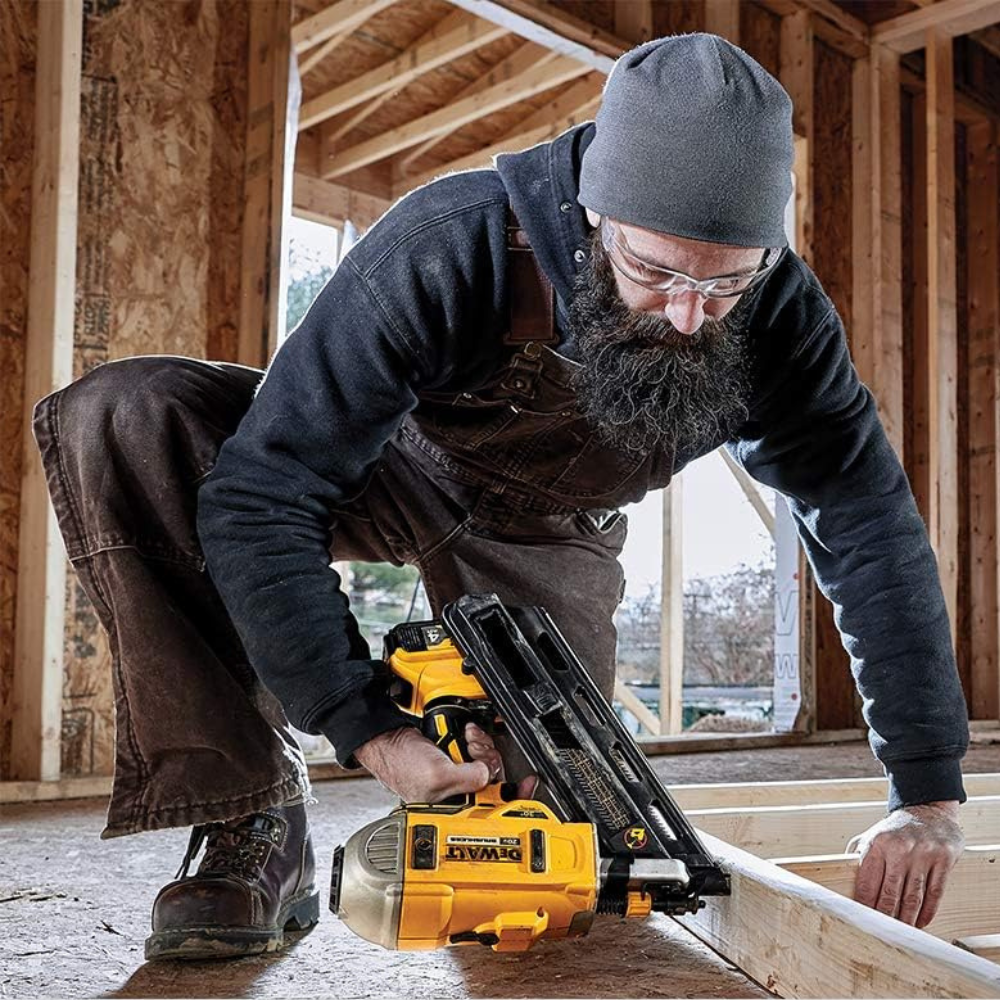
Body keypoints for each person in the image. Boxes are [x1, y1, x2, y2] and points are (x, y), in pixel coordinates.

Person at [35, 34, 968, 961]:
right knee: (128, 415)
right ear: (597, 216)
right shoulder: (452, 241)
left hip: (552, 531)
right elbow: (266, 489)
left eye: (724, 283)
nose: (687, 316)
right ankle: (250, 823)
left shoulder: (786, 321)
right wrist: (362, 726)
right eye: (654, 272)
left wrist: (924, 792)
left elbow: (867, 529)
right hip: (391, 470)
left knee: (550, 847)